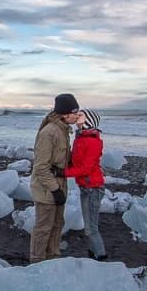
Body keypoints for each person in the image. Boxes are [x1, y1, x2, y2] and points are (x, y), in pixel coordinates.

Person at [29, 93, 80, 263]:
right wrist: (55, 189)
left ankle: (53, 257)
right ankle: (37, 261)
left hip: (58, 186)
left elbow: (62, 160)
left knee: (58, 224)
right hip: (46, 189)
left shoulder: (63, 130)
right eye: (75, 112)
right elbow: (40, 167)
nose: (77, 115)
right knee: (43, 228)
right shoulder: (49, 133)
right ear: (65, 113)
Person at [55, 109, 107, 260]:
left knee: (91, 228)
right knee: (89, 226)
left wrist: (62, 172)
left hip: (93, 189)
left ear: (88, 121)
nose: (77, 116)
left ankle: (101, 256)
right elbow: (75, 159)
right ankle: (92, 253)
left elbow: (86, 168)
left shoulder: (92, 142)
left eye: (81, 115)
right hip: (86, 188)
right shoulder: (81, 137)